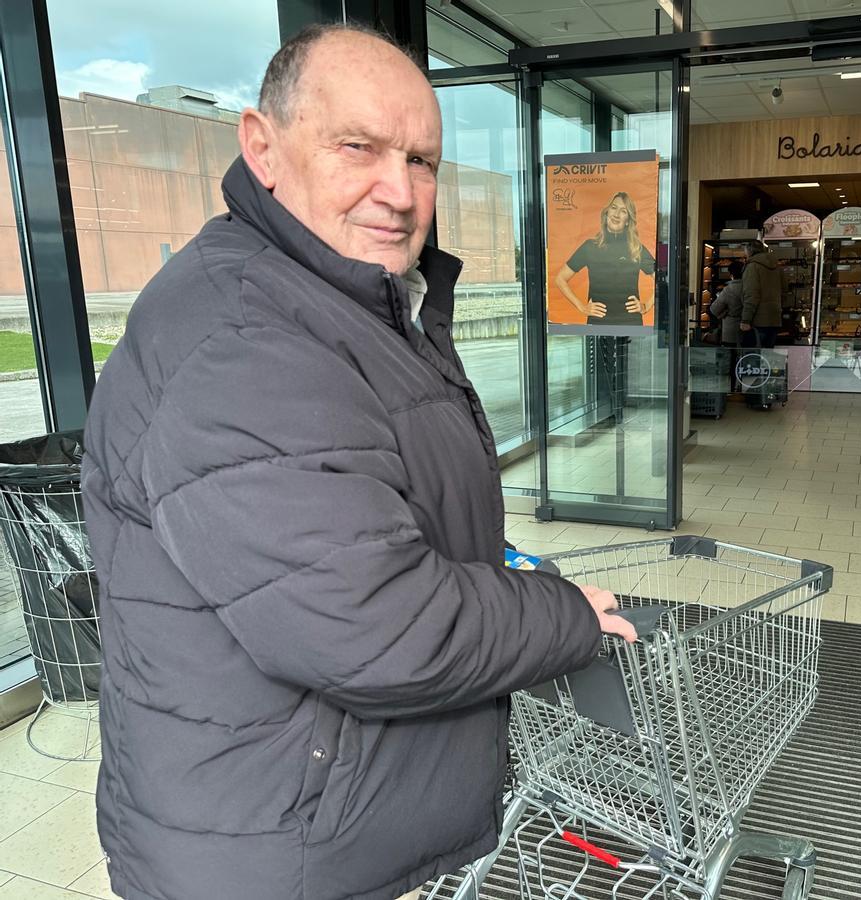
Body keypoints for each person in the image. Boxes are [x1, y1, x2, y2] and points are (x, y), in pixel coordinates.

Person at [80, 24, 635, 900]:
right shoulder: (244, 340)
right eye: (358, 148)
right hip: (272, 850)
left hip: (303, 816)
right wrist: (558, 618)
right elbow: (373, 625)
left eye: (421, 161)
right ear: (262, 148)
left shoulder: (342, 301)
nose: (401, 191)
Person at [555, 192, 656, 327]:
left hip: (631, 324)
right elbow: (560, 279)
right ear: (607, 212)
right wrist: (582, 307)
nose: (616, 214)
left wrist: (646, 306)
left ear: (628, 221)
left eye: (623, 211)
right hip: (598, 323)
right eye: (614, 208)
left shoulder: (636, 248)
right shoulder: (589, 247)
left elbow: (664, 280)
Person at [741, 239, 784, 348]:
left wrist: (746, 319)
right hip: (775, 318)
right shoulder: (777, 266)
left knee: (752, 358)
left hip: (758, 321)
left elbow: (751, 295)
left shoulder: (752, 267)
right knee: (767, 358)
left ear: (749, 252)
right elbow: (785, 289)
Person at [708, 258, 746, 348]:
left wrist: (724, 313)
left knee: (730, 358)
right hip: (749, 331)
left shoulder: (728, 290)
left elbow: (714, 309)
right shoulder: (750, 288)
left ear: (731, 274)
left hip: (731, 332)